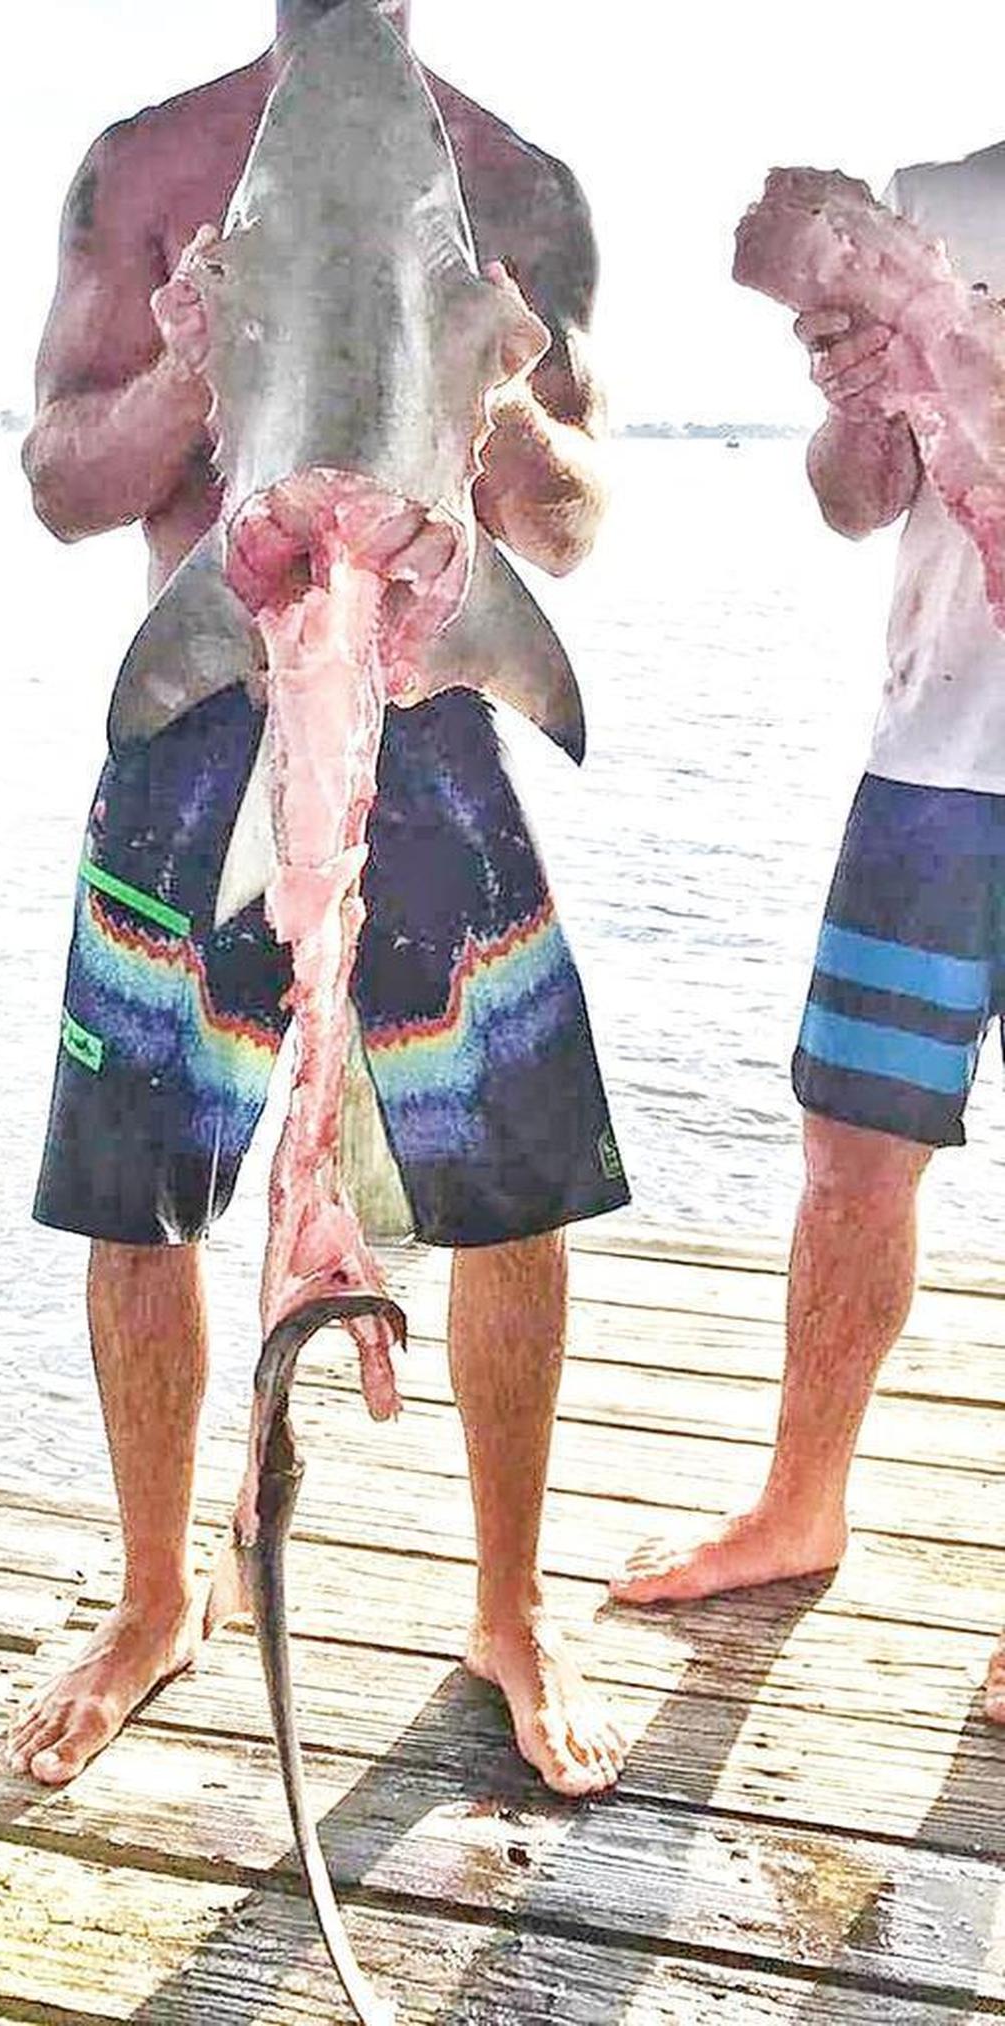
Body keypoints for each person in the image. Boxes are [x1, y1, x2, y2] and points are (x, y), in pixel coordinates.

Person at [7, 0, 631, 1797]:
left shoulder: (522, 181)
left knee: (514, 1191)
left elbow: (574, 521)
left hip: (432, 718)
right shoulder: (141, 167)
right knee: (137, 1191)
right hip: (197, 705)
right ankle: (152, 1597)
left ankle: (507, 1603)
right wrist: (201, 366)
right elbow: (60, 481)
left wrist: (491, 391)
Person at [612, 141, 1005, 1725]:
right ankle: (798, 1503)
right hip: (933, 771)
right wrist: (862, 388)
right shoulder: (938, 200)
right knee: (850, 1146)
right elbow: (855, 507)